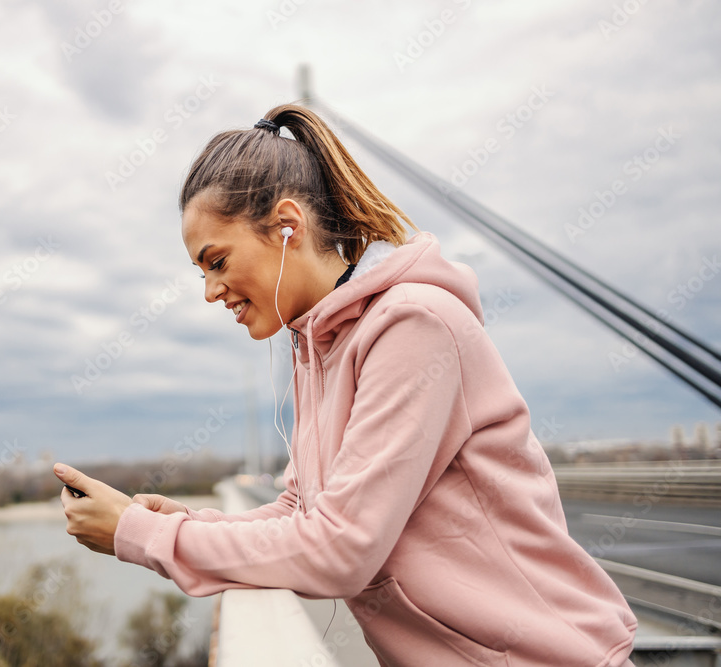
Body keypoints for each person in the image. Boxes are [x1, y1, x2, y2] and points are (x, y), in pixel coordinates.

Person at [54, 103, 638, 666]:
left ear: (287, 226)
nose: (210, 290)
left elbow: (340, 550)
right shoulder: (320, 345)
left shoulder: (414, 326)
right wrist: (179, 524)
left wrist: (141, 535)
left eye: (217, 261)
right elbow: (298, 510)